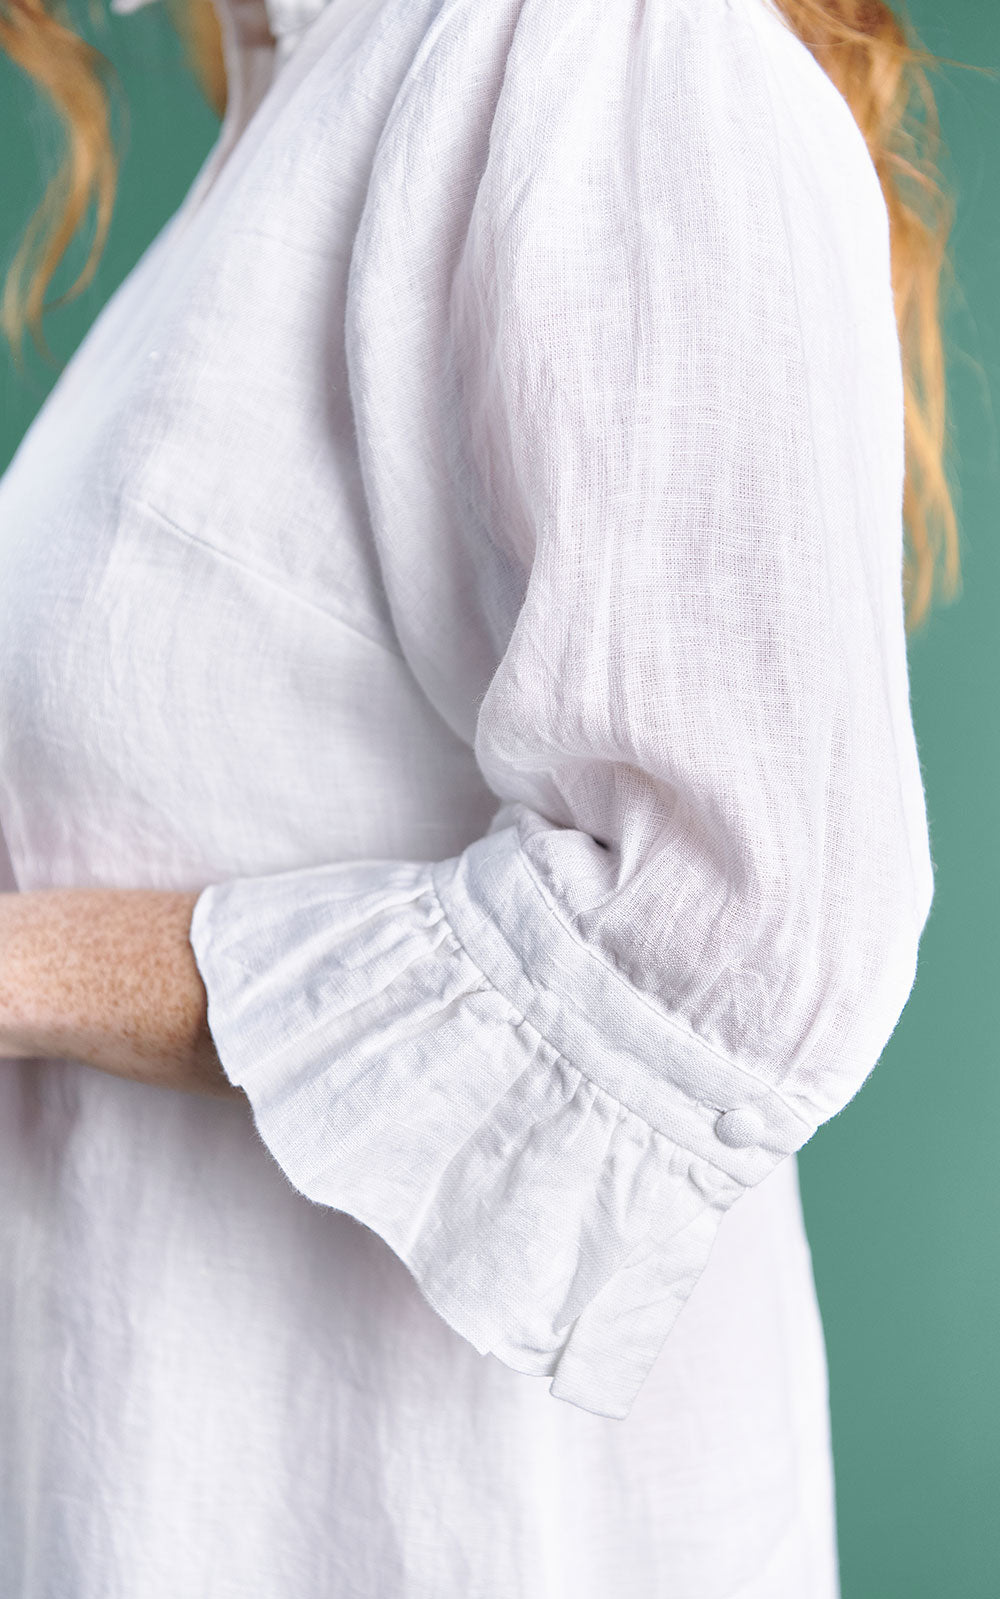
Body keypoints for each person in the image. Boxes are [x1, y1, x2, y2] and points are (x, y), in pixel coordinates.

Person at [0, 0, 958, 1592]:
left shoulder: (608, 49)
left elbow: (742, 938)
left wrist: (24, 971)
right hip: (156, 1494)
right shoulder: (282, 105)